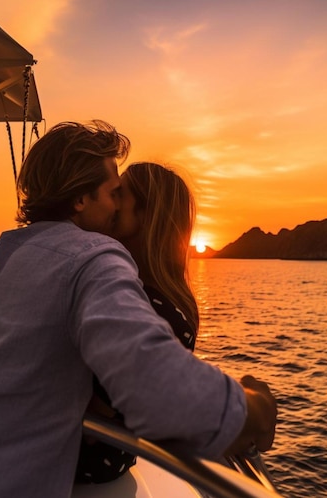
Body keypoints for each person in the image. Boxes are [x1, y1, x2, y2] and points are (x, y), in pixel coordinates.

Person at [0, 120, 277, 498]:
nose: (115, 205)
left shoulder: (6, 251)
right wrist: (254, 410)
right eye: (114, 192)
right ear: (81, 199)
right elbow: (156, 382)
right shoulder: (91, 257)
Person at [75, 162, 199, 483]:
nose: (110, 202)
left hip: (86, 461)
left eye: (120, 194)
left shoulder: (154, 307)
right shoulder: (130, 287)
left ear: (146, 214)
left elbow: (98, 414)